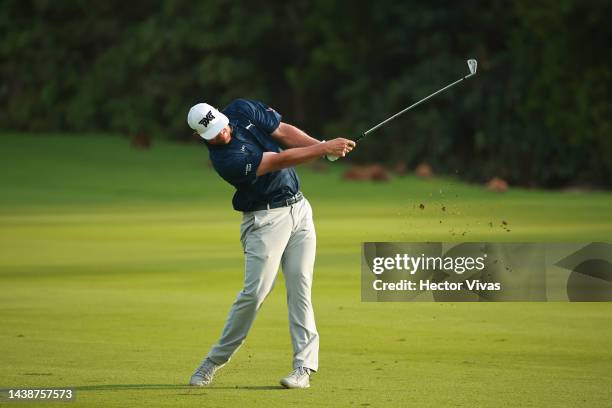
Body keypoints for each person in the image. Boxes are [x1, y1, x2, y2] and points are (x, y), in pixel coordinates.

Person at [186, 99, 355, 389]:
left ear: (221, 114)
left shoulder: (241, 109)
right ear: (199, 137)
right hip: (265, 222)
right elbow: (278, 160)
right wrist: (323, 149)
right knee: (254, 294)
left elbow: (283, 132)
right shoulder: (226, 161)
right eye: (212, 134)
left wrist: (324, 147)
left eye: (220, 125)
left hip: (300, 209)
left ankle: (303, 368)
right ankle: (213, 362)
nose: (222, 134)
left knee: (300, 286)